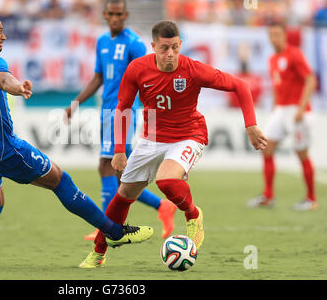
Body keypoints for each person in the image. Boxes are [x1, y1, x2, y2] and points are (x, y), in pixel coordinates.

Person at [0, 12, 153, 270]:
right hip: (3, 150)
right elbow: (2, 79)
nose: (4, 36)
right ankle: (114, 232)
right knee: (60, 180)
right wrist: (17, 87)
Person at [79, 20, 268, 268]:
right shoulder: (137, 69)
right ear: (153, 46)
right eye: (165, 48)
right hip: (151, 138)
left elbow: (239, 85)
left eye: (175, 48)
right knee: (123, 196)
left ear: (180, 45)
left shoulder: (193, 69)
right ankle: (99, 252)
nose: (170, 54)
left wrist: (251, 125)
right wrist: (118, 151)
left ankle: (193, 214)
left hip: (189, 135)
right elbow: (122, 109)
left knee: (166, 180)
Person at [64, 0, 177, 242]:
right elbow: (98, 77)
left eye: (119, 14)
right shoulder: (102, 41)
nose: (115, 18)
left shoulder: (135, 43)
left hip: (123, 112)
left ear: (125, 16)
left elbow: (149, 77)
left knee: (106, 165)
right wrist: (75, 103)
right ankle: (162, 207)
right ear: (105, 14)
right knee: (120, 174)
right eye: (111, 14)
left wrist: (153, 110)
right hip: (107, 111)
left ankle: (106, 226)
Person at [247, 22, 318, 211]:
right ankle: (268, 196)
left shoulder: (294, 54)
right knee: (266, 147)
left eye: (277, 34)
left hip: (296, 110)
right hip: (281, 109)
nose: (274, 38)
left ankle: (311, 199)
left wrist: (302, 108)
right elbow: (279, 87)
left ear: (284, 36)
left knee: (301, 153)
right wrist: (274, 107)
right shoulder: (272, 59)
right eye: (271, 34)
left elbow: (310, 79)